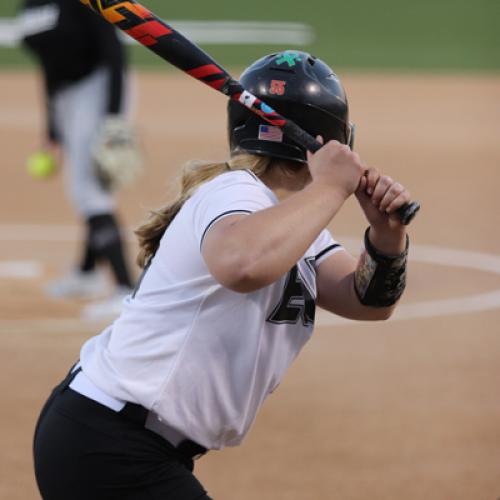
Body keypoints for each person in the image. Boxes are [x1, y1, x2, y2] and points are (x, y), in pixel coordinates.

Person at [33, 51, 411, 499]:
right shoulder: (234, 191)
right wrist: (331, 187)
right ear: (328, 139)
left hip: (123, 444)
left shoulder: (291, 222)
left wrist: (387, 237)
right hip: (108, 440)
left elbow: (367, 300)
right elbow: (241, 265)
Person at [20, 0, 137, 319]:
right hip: (67, 99)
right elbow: (49, 67)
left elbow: (113, 50)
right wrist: (53, 130)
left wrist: (113, 117)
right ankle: (87, 274)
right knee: (86, 187)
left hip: (98, 88)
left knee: (88, 191)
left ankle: (126, 289)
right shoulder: (29, 5)